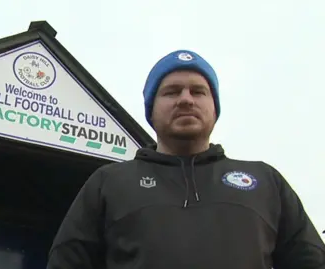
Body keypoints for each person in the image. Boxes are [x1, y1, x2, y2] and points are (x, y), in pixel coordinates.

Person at [46, 50, 325, 269]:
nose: (186, 100)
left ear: (214, 108)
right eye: (172, 91)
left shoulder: (266, 182)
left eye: (198, 91)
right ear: (151, 110)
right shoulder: (108, 182)